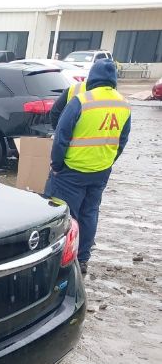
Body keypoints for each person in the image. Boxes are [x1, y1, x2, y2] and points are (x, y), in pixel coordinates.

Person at [44, 59, 131, 276]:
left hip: (71, 171)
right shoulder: (123, 104)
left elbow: (61, 137)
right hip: (100, 171)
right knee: (90, 213)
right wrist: (107, 161)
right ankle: (82, 260)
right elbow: (122, 140)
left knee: (64, 215)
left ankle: (61, 261)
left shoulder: (81, 101)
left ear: (92, 78)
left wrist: (56, 165)